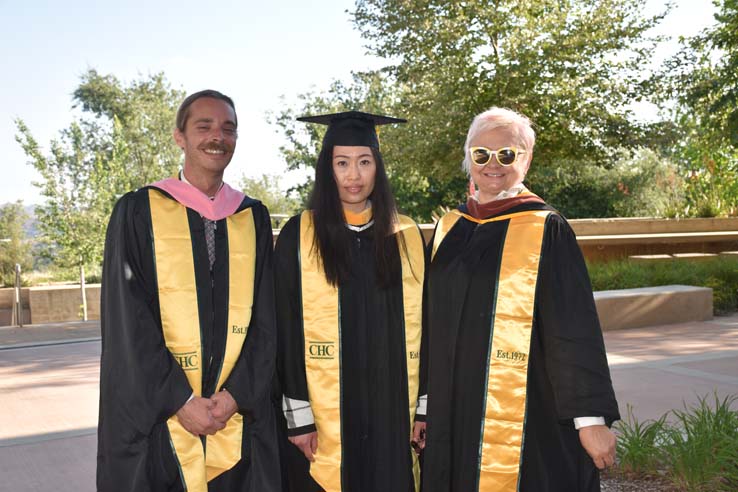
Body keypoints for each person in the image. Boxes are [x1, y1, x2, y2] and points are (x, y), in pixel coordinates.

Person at [421, 107, 620, 492]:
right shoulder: (451, 227)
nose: (492, 164)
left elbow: (573, 327)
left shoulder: (546, 227)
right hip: (453, 409)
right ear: (469, 159)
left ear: (525, 160)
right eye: (481, 154)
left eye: (507, 154)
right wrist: (423, 405)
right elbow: (430, 322)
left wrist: (589, 419)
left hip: (525, 410)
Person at [97, 90, 280, 492]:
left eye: (228, 128)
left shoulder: (252, 217)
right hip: (162, 422)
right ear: (180, 136)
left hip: (236, 422)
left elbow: (268, 319)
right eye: (204, 126)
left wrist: (236, 396)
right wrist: (180, 399)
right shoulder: (139, 211)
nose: (218, 136)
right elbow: (129, 321)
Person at [275, 111, 427, 492]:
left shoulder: (404, 235)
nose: (353, 176)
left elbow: (429, 325)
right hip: (326, 412)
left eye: (364, 162)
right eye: (341, 163)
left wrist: (424, 406)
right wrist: (300, 418)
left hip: (392, 404)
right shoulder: (300, 234)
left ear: (378, 167)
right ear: (328, 170)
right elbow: (285, 325)